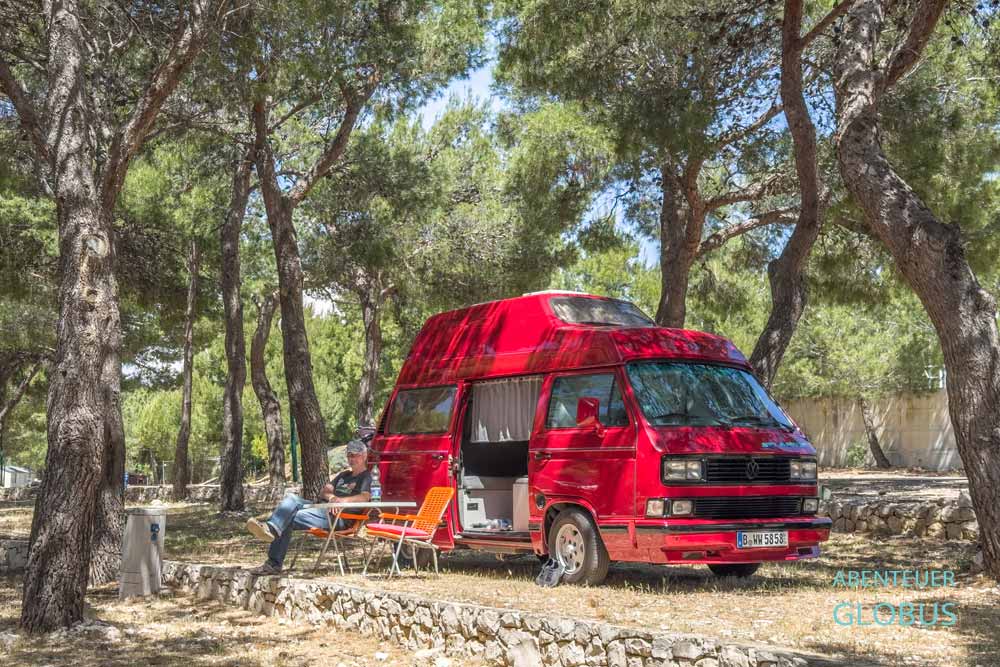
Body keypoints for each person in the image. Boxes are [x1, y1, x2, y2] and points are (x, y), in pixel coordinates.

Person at [246, 439, 372, 574]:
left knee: (285, 517)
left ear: (364, 456)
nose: (351, 459)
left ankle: (273, 555)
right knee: (291, 500)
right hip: (323, 510)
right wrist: (332, 498)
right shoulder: (343, 475)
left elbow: (365, 497)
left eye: (355, 455)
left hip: (340, 518)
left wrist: (341, 501)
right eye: (349, 455)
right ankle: (272, 536)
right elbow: (324, 491)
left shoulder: (367, 477)